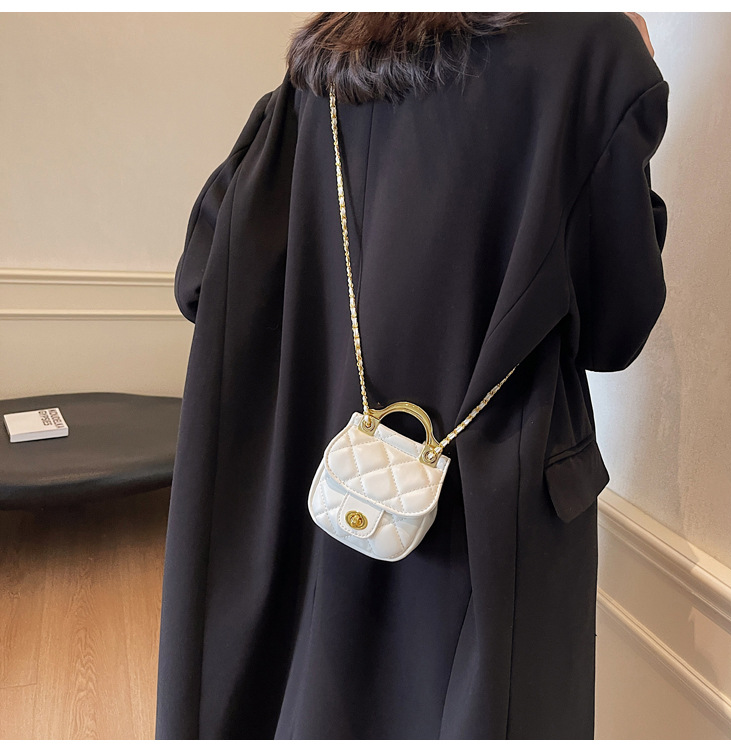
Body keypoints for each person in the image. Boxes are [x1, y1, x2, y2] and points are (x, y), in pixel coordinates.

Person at [156, 12, 668, 739]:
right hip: (492, 521)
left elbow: (203, 282)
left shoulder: (335, 55)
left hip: (313, 479)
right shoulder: (592, 50)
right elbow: (614, 326)